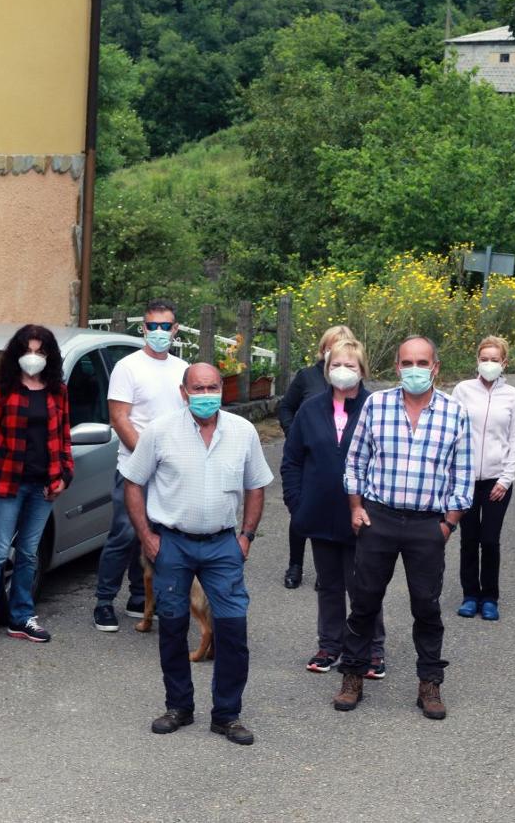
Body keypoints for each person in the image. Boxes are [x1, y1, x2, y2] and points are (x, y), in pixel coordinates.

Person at [123, 362, 272, 746]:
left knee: (233, 629)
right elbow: (133, 482)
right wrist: (146, 536)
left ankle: (227, 715)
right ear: (183, 392)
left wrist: (246, 536)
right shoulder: (160, 432)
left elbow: (256, 486)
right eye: (198, 389)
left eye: (212, 388)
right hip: (172, 543)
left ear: (222, 389)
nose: (206, 395)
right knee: (173, 628)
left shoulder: (242, 431)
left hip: (223, 544)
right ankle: (179, 707)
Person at [333, 336, 472, 720]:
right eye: (407, 363)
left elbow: (463, 474)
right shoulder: (376, 405)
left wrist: (448, 524)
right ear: (397, 367)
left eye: (422, 363)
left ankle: (430, 683)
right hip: (379, 518)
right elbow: (355, 461)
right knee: (364, 602)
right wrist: (356, 508)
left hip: (428, 524)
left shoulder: (454, 413)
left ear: (435, 368)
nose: (414, 370)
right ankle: (352, 676)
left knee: (426, 606)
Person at [280, 338, 386, 677]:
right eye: (336, 365)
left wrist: (376, 508)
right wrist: (297, 504)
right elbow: (292, 460)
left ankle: (372, 649)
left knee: (363, 586)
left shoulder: (377, 408)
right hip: (319, 513)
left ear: (362, 370)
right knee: (328, 585)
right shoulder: (310, 410)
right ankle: (330, 644)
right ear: (326, 370)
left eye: (350, 365)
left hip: (363, 516)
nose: (342, 371)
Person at [0, 325, 73, 650]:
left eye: (40, 351)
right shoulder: (1, 392)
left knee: (28, 553)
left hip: (44, 486)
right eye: (28, 350)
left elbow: (64, 439)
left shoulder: (57, 391)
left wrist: (64, 477)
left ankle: (22, 616)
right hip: (7, 484)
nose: (33, 357)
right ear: (17, 353)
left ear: (49, 356)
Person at [92, 298, 188, 631]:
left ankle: (139, 597)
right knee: (125, 533)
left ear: (175, 329)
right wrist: (147, 457)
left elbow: (187, 418)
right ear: (143, 328)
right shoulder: (128, 367)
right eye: (153, 326)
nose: (159, 331)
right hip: (134, 466)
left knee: (156, 535)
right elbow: (119, 418)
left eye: (165, 326)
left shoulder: (182, 369)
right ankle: (104, 601)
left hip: (171, 470)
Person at [451, 336, 515, 621]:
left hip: (497, 481)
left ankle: (490, 597)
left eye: (494, 359)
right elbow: (452, 432)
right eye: (484, 359)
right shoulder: (463, 390)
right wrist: (455, 474)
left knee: (490, 540)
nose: (489, 364)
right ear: (477, 361)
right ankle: (470, 595)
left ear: (504, 363)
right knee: (469, 538)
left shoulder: (513, 396)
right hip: (466, 479)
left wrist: (505, 479)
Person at [276, 324, 356, 589]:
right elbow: (286, 407)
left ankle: (327, 569)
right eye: (333, 345)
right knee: (301, 513)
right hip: (308, 456)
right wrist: (294, 433)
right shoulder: (307, 376)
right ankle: (295, 565)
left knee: (335, 513)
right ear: (324, 348)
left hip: (338, 460)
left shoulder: (353, 381)